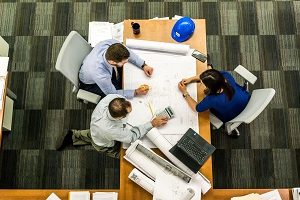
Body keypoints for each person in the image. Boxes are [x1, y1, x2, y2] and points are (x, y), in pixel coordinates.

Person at [56, 94, 168, 158]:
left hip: (96, 129)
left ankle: (73, 135)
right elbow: (132, 137)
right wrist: (152, 123)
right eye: (128, 113)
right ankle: (74, 138)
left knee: (92, 135)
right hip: (103, 143)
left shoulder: (111, 98)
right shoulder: (111, 130)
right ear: (119, 118)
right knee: (121, 154)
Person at [178, 69, 250, 137]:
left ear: (209, 88)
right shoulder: (226, 75)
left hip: (232, 116)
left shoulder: (212, 99)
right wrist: (190, 79)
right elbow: (211, 75)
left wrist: (185, 92)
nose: (200, 83)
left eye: (201, 83)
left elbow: (196, 108)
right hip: (246, 100)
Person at [79, 39, 154, 99]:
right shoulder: (100, 74)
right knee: (117, 97)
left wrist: (143, 65)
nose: (126, 63)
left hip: (91, 64)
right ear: (112, 61)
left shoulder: (112, 44)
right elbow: (112, 93)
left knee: (121, 81)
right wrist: (136, 92)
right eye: (124, 62)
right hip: (91, 84)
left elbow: (128, 53)